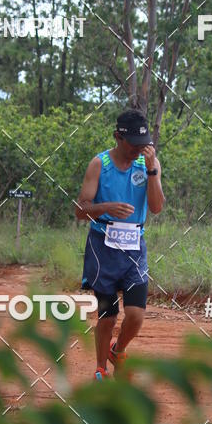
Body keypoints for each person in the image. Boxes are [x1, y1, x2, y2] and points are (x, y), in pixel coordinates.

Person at [75, 109, 165, 380]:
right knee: (108, 315)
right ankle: (101, 368)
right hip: (102, 247)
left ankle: (119, 349)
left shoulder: (149, 164)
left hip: (134, 248)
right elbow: (81, 209)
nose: (139, 149)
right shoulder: (99, 164)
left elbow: (157, 207)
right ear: (118, 137)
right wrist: (106, 208)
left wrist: (151, 171)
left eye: (143, 144)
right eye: (133, 144)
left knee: (136, 315)